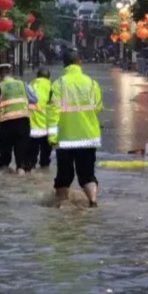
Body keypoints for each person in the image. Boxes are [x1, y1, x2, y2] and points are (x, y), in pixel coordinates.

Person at [47, 49, 104, 207]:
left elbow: (52, 112)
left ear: (64, 64)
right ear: (80, 62)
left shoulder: (58, 84)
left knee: (64, 175)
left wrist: (52, 137)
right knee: (87, 175)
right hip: (88, 137)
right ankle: (93, 201)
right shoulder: (92, 83)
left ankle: (62, 206)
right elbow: (98, 107)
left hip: (66, 138)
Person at [0, 63, 38, 174]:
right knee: (21, 160)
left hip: (6, 125)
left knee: (5, 158)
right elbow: (34, 99)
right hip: (23, 123)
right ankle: (21, 182)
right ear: (10, 73)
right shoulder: (23, 84)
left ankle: (6, 186)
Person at [28, 67, 53, 170]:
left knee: (31, 158)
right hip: (48, 127)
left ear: (37, 76)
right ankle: (45, 173)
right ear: (48, 77)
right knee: (45, 158)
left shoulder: (30, 86)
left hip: (32, 126)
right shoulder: (52, 87)